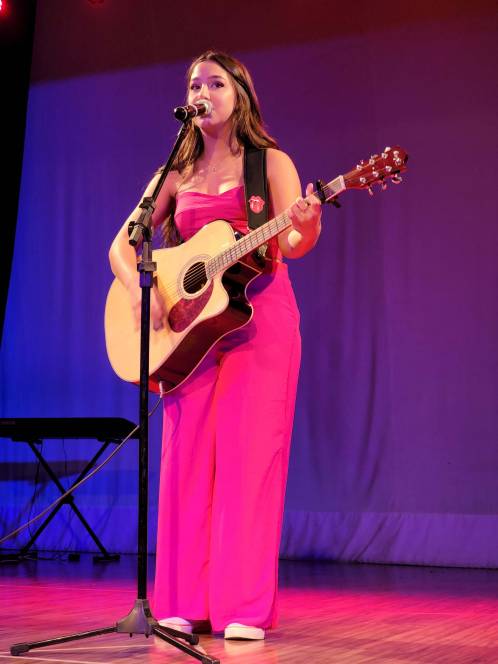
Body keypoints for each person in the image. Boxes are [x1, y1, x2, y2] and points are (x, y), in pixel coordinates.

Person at [109, 50, 322, 641]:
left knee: (248, 460)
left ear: (240, 95)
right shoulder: (173, 175)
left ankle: (241, 608)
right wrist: (141, 294)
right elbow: (122, 247)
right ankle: (181, 600)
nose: (202, 92)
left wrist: (306, 220)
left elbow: (294, 242)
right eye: (194, 85)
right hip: (190, 329)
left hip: (260, 319)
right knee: (185, 460)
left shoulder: (269, 162)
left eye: (216, 83)